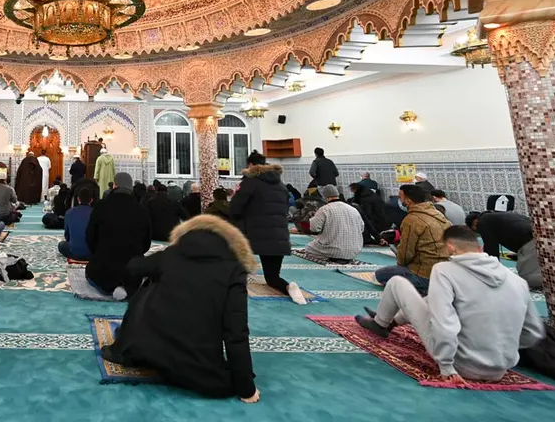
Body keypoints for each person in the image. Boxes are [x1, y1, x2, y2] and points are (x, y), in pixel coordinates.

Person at [101, 215, 261, 403]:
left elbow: (133, 267)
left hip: (147, 349)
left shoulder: (171, 254)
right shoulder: (233, 269)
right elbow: (236, 332)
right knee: (224, 382)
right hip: (194, 365)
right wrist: (246, 388)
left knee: (150, 285)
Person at [356, 225, 545, 383]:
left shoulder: (445, 271)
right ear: (479, 248)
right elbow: (533, 332)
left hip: (461, 365)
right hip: (500, 369)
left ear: (450, 248)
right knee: (433, 298)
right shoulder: (517, 281)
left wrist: (446, 366)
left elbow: (444, 323)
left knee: (397, 283)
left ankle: (381, 323)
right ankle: (393, 321)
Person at [230, 151, 307, 305]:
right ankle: (288, 287)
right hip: (279, 236)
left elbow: (235, 209)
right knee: (272, 277)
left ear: (250, 165)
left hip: (251, 234)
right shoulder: (280, 185)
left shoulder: (250, 182)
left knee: (233, 261)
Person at [86, 172, 152, 298]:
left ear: (114, 185)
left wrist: (99, 254)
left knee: (92, 273)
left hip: (103, 272)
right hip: (133, 273)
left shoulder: (101, 206)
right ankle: (124, 286)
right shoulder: (142, 211)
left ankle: (114, 286)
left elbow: (90, 238)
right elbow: (146, 244)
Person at [375, 184, 450, 294]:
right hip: (445, 272)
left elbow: (405, 255)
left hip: (425, 274)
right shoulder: (438, 214)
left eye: (400, 197)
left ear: (408, 201)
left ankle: (422, 288)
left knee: (381, 274)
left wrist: (402, 265)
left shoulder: (412, 219)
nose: (399, 201)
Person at [468, 211, 543, 290]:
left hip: (529, 241)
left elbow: (491, 248)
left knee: (529, 277)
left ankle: (547, 285)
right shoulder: (496, 216)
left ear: (474, 223)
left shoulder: (482, 222)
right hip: (538, 234)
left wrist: (492, 268)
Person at [303, 185, 364, 263]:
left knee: (309, 247)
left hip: (332, 250)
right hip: (355, 251)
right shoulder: (353, 209)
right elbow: (362, 228)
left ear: (325, 197)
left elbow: (314, 228)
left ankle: (330, 257)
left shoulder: (325, 209)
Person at [59, 186, 94, 260]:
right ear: (91, 200)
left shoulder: (69, 212)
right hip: (92, 253)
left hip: (74, 252)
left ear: (78, 199)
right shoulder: (96, 212)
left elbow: (67, 235)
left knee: (61, 245)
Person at [350, 181, 388, 245]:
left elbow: (367, 215)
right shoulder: (369, 193)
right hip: (383, 220)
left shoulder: (363, 198)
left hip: (376, 221)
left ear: (355, 189)